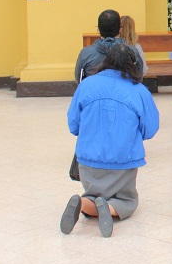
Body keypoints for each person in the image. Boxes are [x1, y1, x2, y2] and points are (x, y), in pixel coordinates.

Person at [61, 44, 160, 238]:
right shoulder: (139, 91)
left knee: (91, 194)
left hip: (88, 162)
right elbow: (150, 129)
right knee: (127, 201)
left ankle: (83, 203)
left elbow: (73, 125)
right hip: (123, 161)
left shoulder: (86, 85)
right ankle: (109, 208)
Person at [74, 9, 143, 83]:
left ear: (98, 30)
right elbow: (138, 78)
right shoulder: (132, 51)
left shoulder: (85, 53)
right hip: (122, 93)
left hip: (96, 93)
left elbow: (79, 79)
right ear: (120, 30)